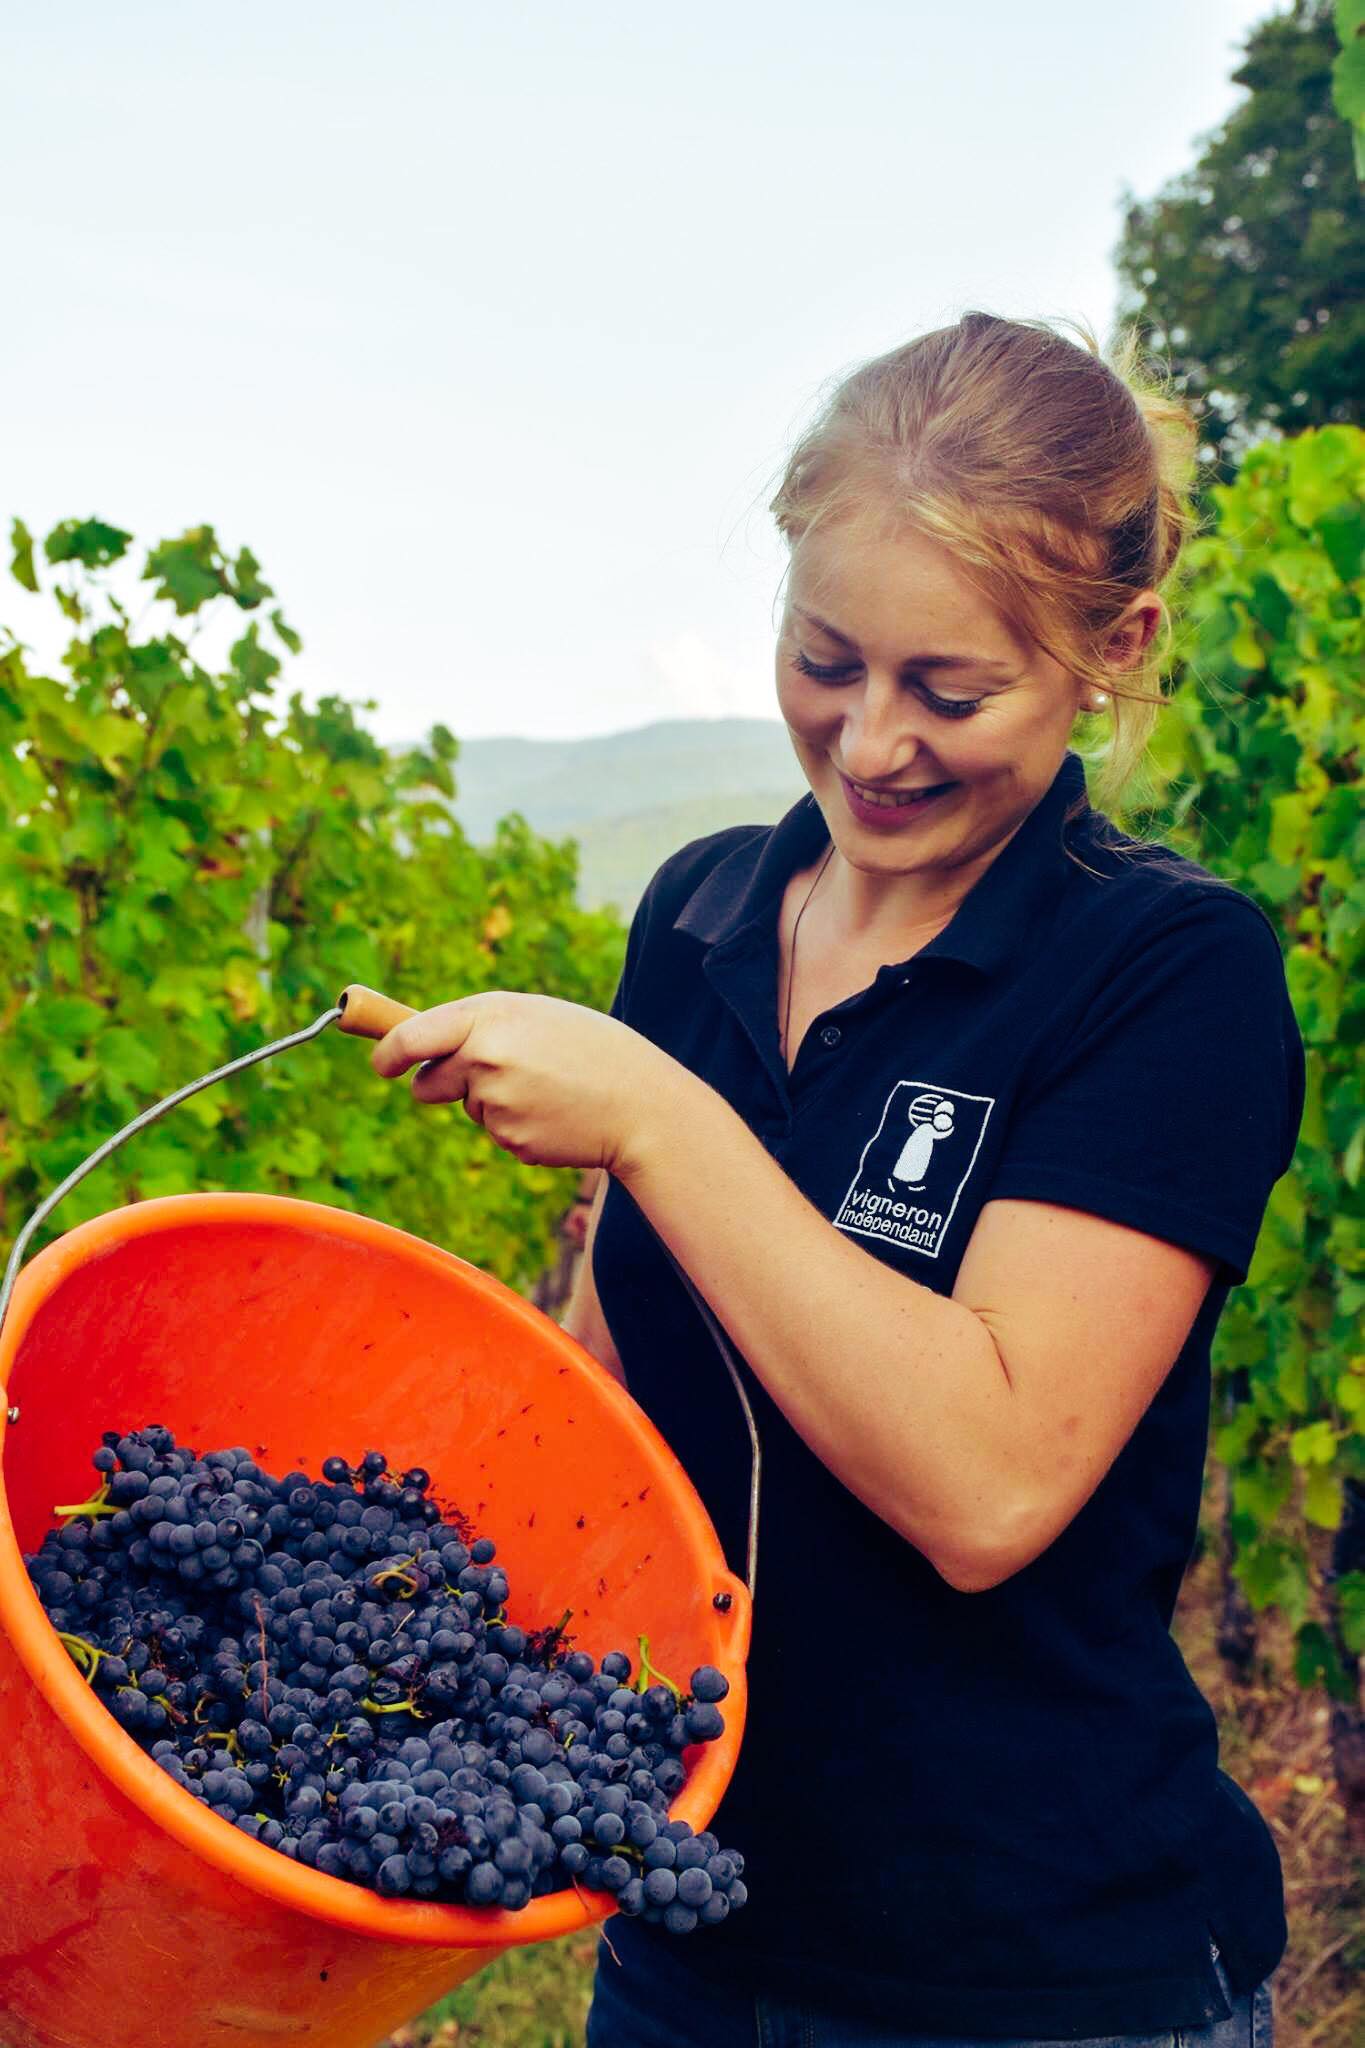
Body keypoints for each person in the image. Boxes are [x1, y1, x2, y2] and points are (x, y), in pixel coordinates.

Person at [370, 312, 1302, 2048]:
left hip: (1036, 1978)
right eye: (826, 660)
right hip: (685, 1929)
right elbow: (620, 1384)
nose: (871, 744)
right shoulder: (703, 911)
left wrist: (659, 1115)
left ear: (1115, 648)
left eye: (950, 692)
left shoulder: (1164, 973)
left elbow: (987, 1485)